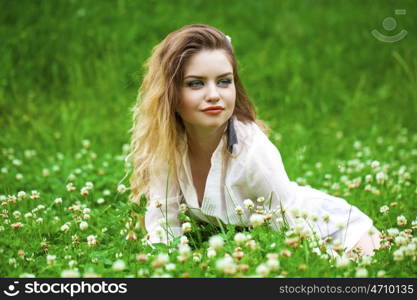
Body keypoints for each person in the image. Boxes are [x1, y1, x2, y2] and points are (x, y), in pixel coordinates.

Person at [128, 24, 381, 257]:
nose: (214, 95)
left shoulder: (252, 151)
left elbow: (291, 227)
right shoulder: (168, 146)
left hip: (333, 233)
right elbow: (165, 229)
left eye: (224, 81)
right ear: (170, 93)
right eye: (196, 84)